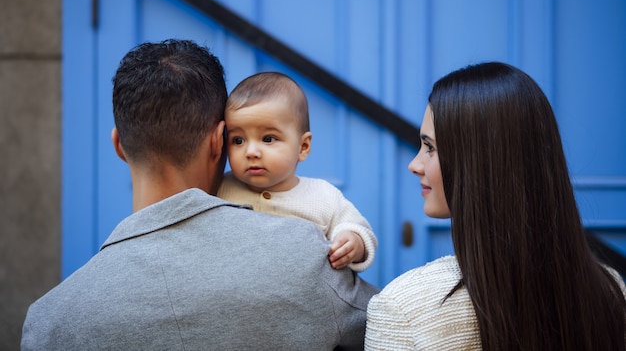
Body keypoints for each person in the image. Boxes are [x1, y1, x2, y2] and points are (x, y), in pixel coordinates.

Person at [21, 39, 379, 351]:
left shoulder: (49, 322)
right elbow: (390, 324)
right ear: (217, 141)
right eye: (239, 140)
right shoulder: (306, 257)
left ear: (119, 145)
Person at [365, 62, 626, 350]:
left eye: (430, 147)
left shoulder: (402, 310)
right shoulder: (611, 290)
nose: (414, 165)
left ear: (480, 164)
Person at [217, 71, 377, 271]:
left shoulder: (323, 196)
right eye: (238, 140)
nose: (251, 152)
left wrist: (353, 242)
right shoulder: (219, 189)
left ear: (303, 147)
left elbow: (359, 229)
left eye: (268, 139)